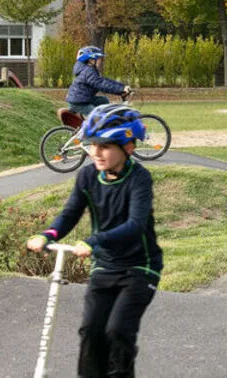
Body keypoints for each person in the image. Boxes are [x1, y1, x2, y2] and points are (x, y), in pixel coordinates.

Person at [25, 104, 162, 377]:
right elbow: (70, 213)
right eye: (92, 146)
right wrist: (48, 234)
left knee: (118, 330)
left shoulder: (139, 179)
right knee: (91, 331)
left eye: (105, 146)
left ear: (129, 148)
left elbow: (135, 225)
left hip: (139, 268)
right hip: (105, 267)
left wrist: (94, 241)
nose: (96, 153)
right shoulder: (87, 176)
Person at [66, 45, 131, 117]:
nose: (100, 61)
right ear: (91, 60)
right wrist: (121, 89)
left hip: (83, 99)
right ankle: (98, 126)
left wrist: (121, 88)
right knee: (99, 116)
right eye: (98, 59)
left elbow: (104, 81)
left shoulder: (87, 69)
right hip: (78, 103)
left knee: (104, 100)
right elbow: (101, 84)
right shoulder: (88, 71)